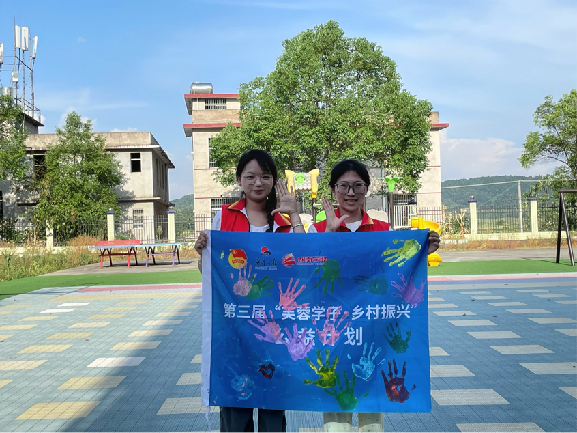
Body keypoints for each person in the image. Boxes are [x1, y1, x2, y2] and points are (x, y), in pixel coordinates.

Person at [308, 159, 440, 433]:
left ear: (367, 189)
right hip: (333, 332)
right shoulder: (316, 231)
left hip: (371, 330)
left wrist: (420, 253)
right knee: (336, 419)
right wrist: (329, 234)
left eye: (358, 185)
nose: (351, 192)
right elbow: (308, 276)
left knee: (372, 416)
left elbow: (397, 273)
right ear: (333, 190)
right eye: (344, 186)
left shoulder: (383, 230)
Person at [194, 149, 305, 433]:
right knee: (235, 411)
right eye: (251, 176)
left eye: (265, 176)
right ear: (239, 180)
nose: (258, 183)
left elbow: (306, 260)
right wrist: (203, 254)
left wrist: (294, 214)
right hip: (235, 331)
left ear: (274, 181)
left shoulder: (284, 221)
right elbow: (210, 274)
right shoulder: (224, 218)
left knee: (272, 413)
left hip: (274, 330)